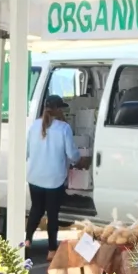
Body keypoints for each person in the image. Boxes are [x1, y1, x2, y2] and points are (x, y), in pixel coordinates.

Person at [26, 93, 83, 252]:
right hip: (54, 179)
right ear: (58, 109)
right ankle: (52, 250)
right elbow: (72, 154)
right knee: (52, 214)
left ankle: (28, 240)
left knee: (36, 209)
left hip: (35, 176)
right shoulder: (64, 128)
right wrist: (80, 160)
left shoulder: (34, 126)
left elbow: (27, 152)